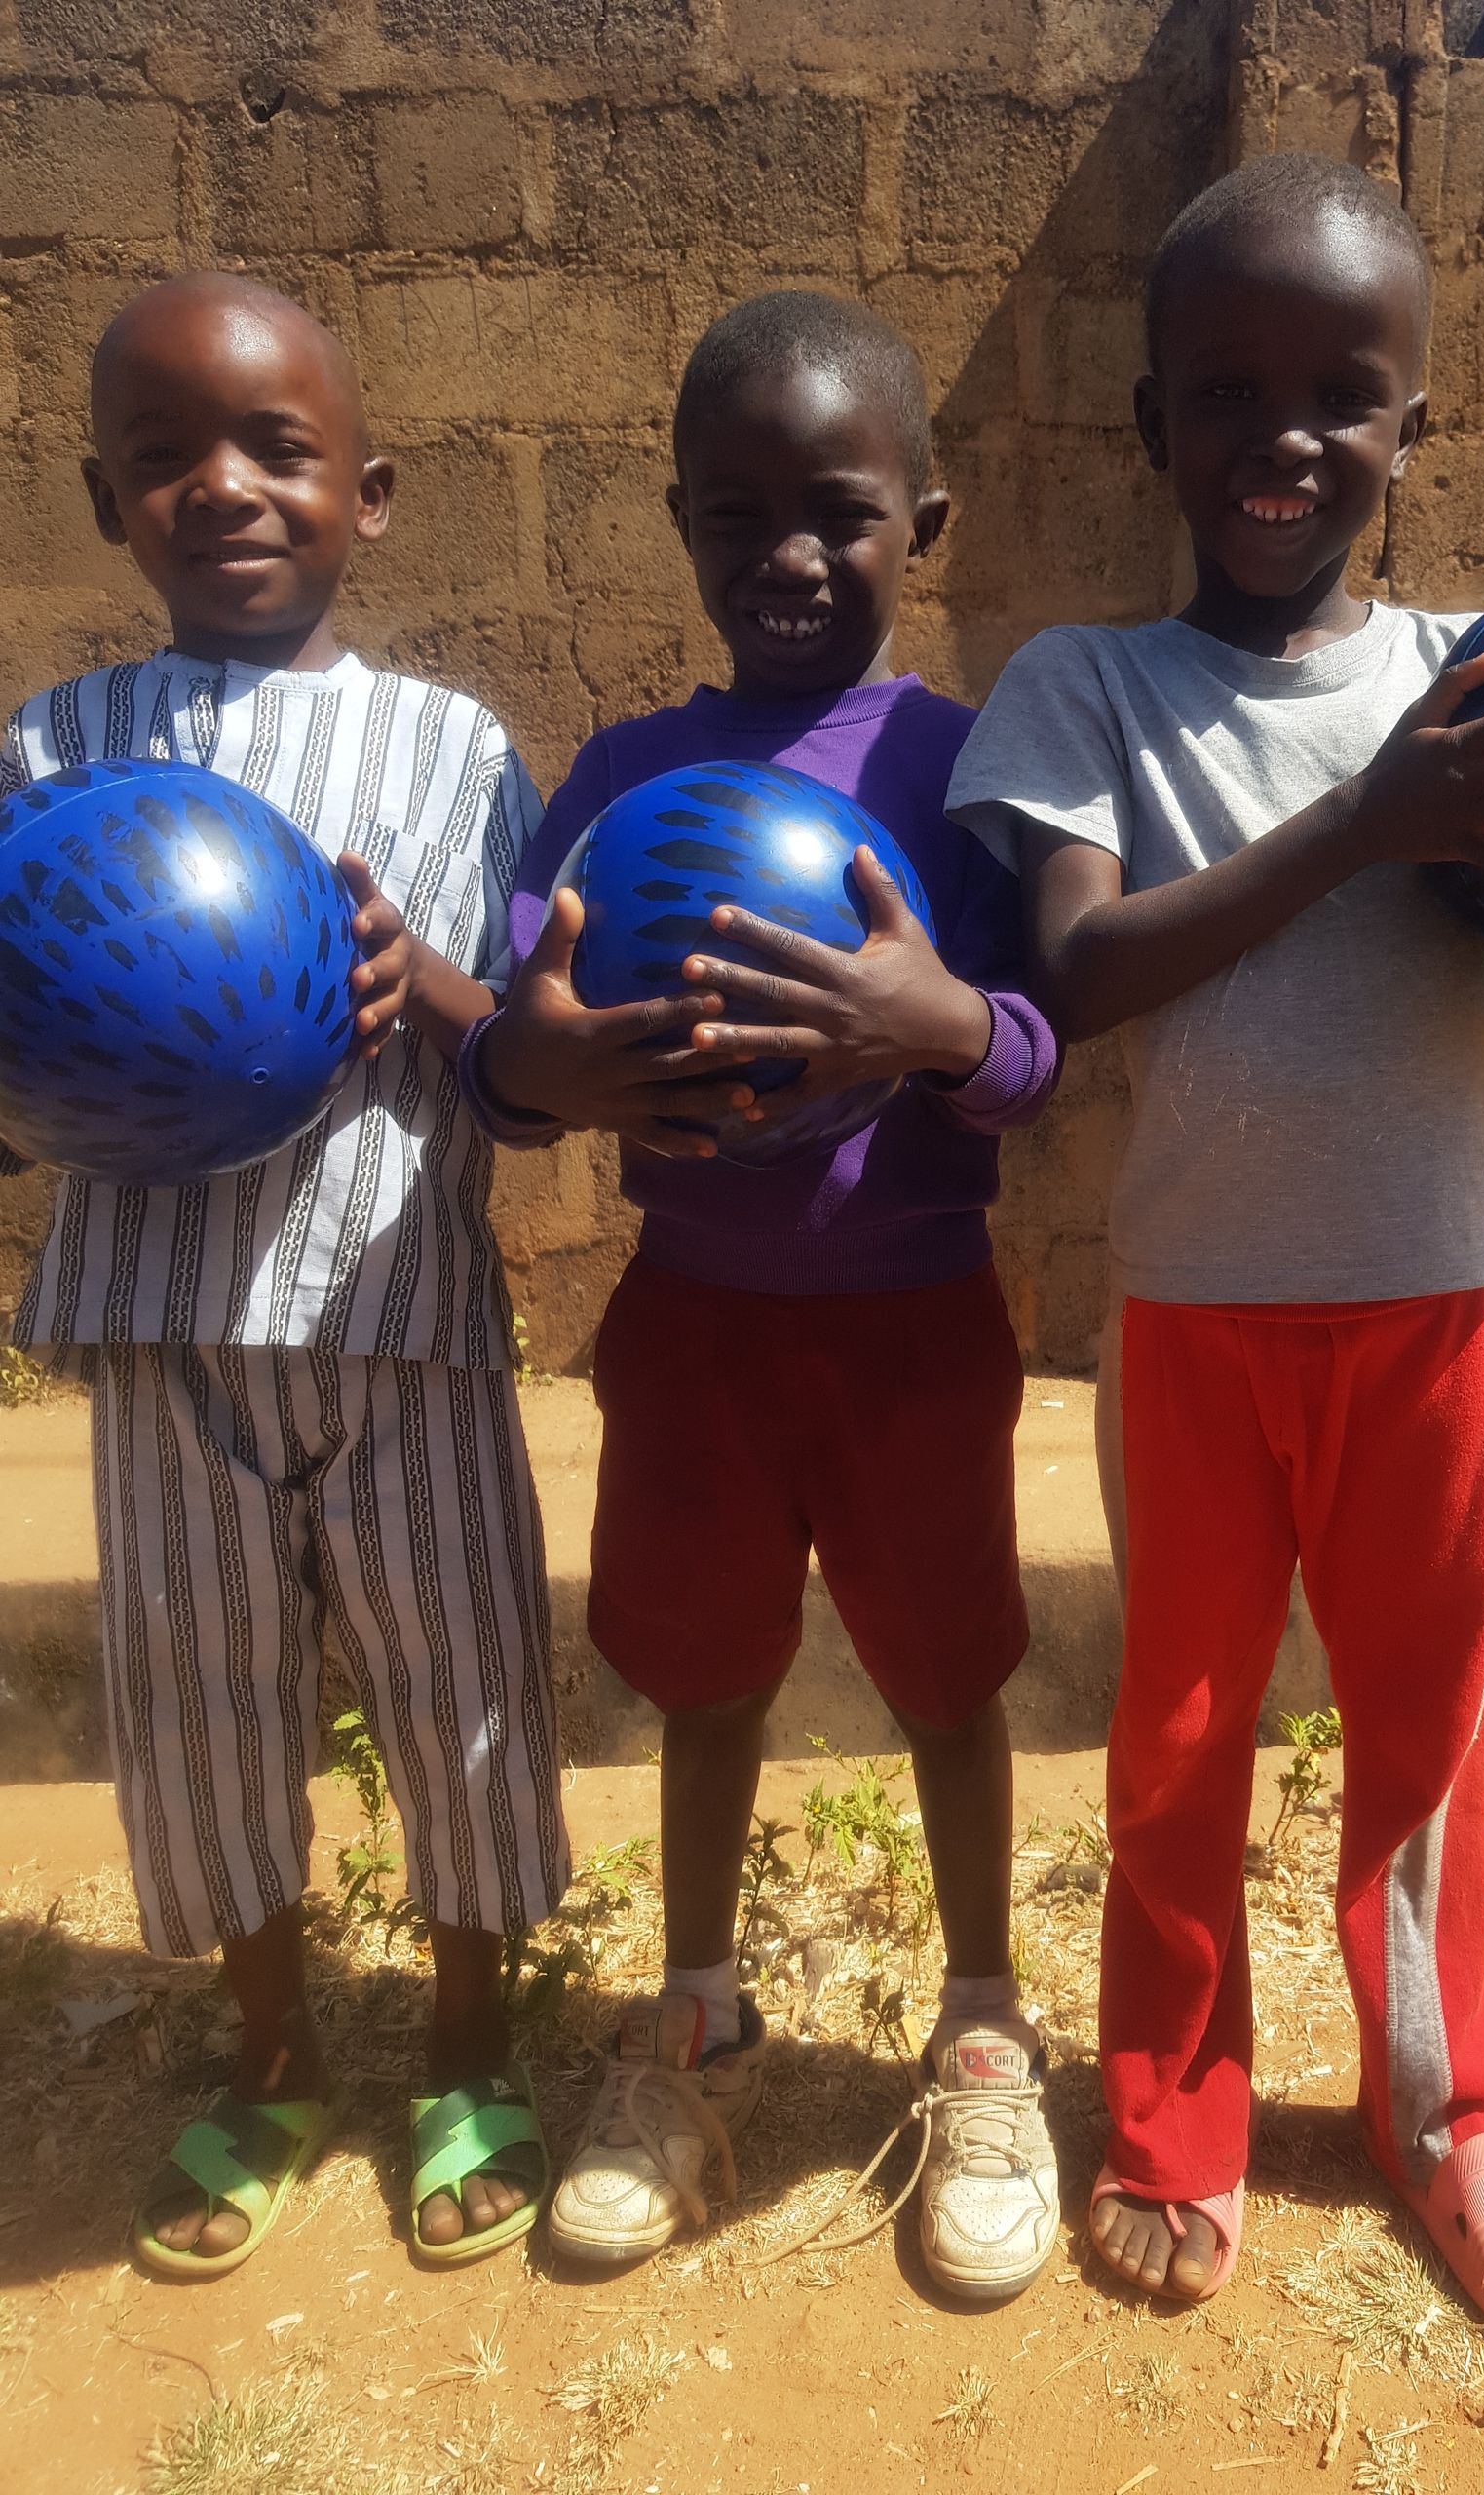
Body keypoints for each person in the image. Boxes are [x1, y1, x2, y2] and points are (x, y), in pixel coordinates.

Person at [946, 154, 1484, 2342]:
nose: (1286, 435)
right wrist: (1363, 818)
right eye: (1228, 388)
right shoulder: (1086, 685)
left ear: (1418, 423)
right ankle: (1174, 2106)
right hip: (1196, 1316)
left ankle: (1448, 2107)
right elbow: (1081, 975)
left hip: (1434, 1303)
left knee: (1425, 1741)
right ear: (1150, 419)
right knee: (1180, 1733)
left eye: (1345, 390)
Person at [0, 274, 728, 2277]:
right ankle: (268, 2057)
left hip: (400, 1317)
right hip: (160, 1327)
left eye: (278, 449)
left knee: (462, 1688)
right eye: (165, 458)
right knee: (199, 1703)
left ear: (370, 492)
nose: (224, 487)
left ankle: (468, 2049)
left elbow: (517, 1069)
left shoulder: (454, 746)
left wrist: (431, 988)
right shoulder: (57, 747)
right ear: (106, 503)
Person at [457, 288, 1063, 2302]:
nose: (789, 555)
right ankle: (697, 2016)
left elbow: (1038, 1055)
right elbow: (516, 1047)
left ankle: (981, 2023)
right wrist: (538, 1064)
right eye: (738, 514)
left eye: (841, 511)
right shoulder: (626, 774)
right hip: (698, 1324)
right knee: (706, 1680)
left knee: (949, 1683)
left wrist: (939, 1024)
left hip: (916, 1326)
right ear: (679, 526)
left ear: (925, 521)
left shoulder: (964, 771)